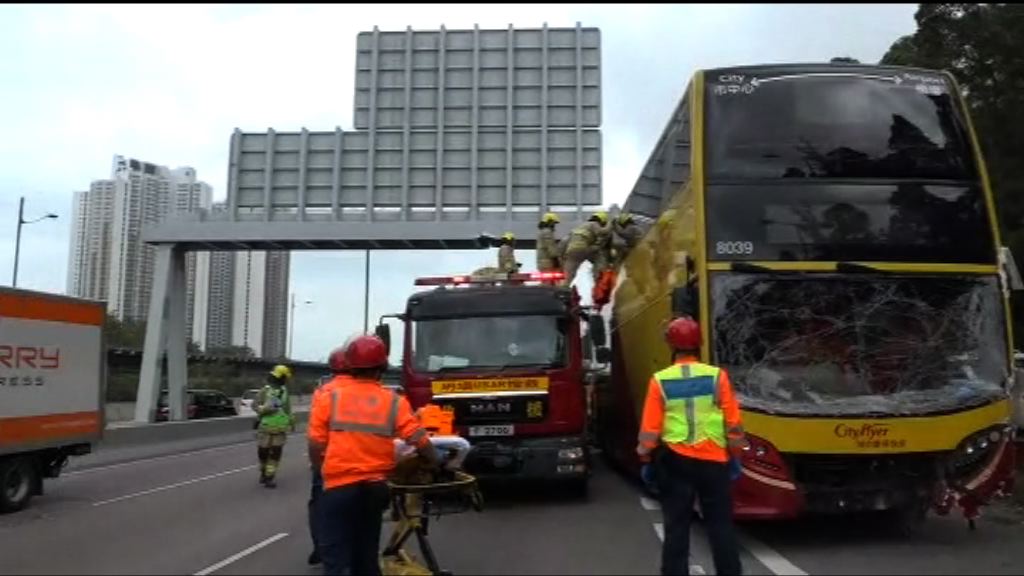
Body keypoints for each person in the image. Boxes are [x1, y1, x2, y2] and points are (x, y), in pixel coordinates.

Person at [307, 335, 440, 576]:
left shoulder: (329, 398)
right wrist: (435, 461)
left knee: (335, 557)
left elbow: (315, 445)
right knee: (366, 554)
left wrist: (322, 470)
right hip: (376, 489)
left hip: (339, 488)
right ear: (382, 367)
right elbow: (419, 439)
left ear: (350, 366)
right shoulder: (393, 402)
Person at [636, 317, 746, 576]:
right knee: (720, 526)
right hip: (714, 461)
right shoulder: (717, 377)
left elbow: (650, 429)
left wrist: (644, 456)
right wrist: (736, 456)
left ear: (671, 345)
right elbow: (734, 424)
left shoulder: (660, 380)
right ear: (699, 343)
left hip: (675, 461)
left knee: (677, 526)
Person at [307, 344, 354, 566]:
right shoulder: (362, 392)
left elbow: (315, 435)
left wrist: (317, 464)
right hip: (358, 460)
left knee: (320, 506)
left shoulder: (322, 393)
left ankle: (321, 548)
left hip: (328, 460)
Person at [255, 364, 295, 488]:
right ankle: (263, 472)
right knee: (263, 452)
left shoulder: (284, 392)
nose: (284, 380)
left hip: (280, 429)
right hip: (265, 428)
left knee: (275, 454)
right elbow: (254, 405)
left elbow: (288, 409)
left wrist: (292, 423)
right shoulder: (265, 391)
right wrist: (263, 409)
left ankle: (269, 477)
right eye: (283, 378)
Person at [560, 211, 611, 286]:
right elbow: (602, 232)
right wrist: (610, 224)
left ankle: (563, 289)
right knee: (598, 253)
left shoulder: (578, 227)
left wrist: (561, 256)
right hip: (584, 249)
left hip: (571, 251)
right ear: (601, 220)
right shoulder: (594, 224)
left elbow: (564, 242)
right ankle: (598, 280)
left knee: (569, 275)